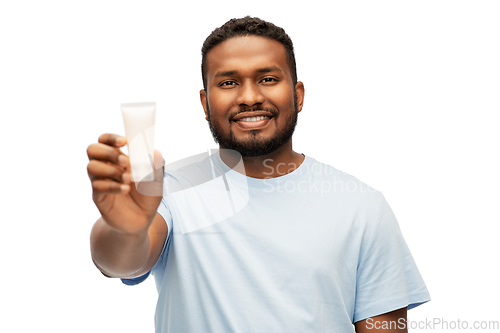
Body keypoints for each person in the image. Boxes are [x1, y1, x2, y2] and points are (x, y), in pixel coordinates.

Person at [87, 16, 430, 332]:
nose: (249, 97)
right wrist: (125, 230)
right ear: (206, 104)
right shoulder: (171, 189)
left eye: (267, 79)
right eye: (229, 82)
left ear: (297, 95)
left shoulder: (362, 207)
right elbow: (122, 263)